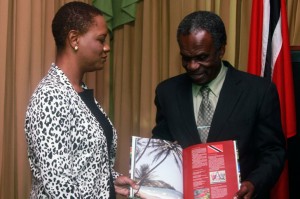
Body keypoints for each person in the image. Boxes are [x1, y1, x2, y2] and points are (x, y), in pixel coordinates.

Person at [152, 11, 286, 199]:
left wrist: (254, 183)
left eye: (201, 57)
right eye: (186, 58)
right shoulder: (167, 92)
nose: (192, 66)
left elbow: (273, 151)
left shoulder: (259, 91)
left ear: (221, 50)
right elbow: (162, 146)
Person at [24, 2, 138, 198]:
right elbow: (60, 188)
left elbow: (83, 164)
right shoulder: (51, 96)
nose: (107, 47)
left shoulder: (79, 92)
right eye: (101, 39)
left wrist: (110, 180)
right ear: (74, 39)